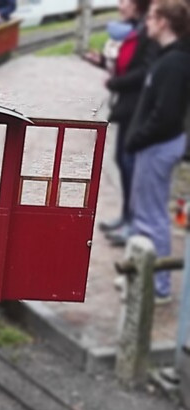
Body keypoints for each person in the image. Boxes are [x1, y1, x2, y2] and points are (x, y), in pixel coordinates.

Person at [125, 0, 190, 302]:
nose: (146, 22)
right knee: (145, 215)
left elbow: (166, 115)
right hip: (154, 144)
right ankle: (142, 275)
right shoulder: (166, 59)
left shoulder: (174, 63)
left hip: (157, 146)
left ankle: (159, 286)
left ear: (164, 22)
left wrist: (138, 138)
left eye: (151, 17)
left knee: (152, 217)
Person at [84, 0, 157, 247]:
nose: (120, 4)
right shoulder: (135, 29)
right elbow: (126, 64)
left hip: (138, 107)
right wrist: (103, 62)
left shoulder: (147, 32)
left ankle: (133, 221)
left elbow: (146, 70)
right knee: (122, 161)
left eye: (125, 1)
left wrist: (116, 83)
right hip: (127, 107)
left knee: (130, 164)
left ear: (138, 5)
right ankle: (126, 216)